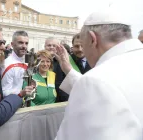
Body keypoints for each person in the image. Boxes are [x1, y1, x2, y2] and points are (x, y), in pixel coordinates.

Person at [54, 9, 143, 140]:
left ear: (92, 39)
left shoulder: (94, 81)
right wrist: (69, 70)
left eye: (83, 45)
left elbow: (99, 86)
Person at [1, 31, 29, 97]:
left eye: (26, 43)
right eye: (20, 43)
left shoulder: (28, 60)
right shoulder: (7, 64)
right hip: (15, 105)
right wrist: (21, 93)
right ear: (12, 44)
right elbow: (4, 92)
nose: (24, 46)